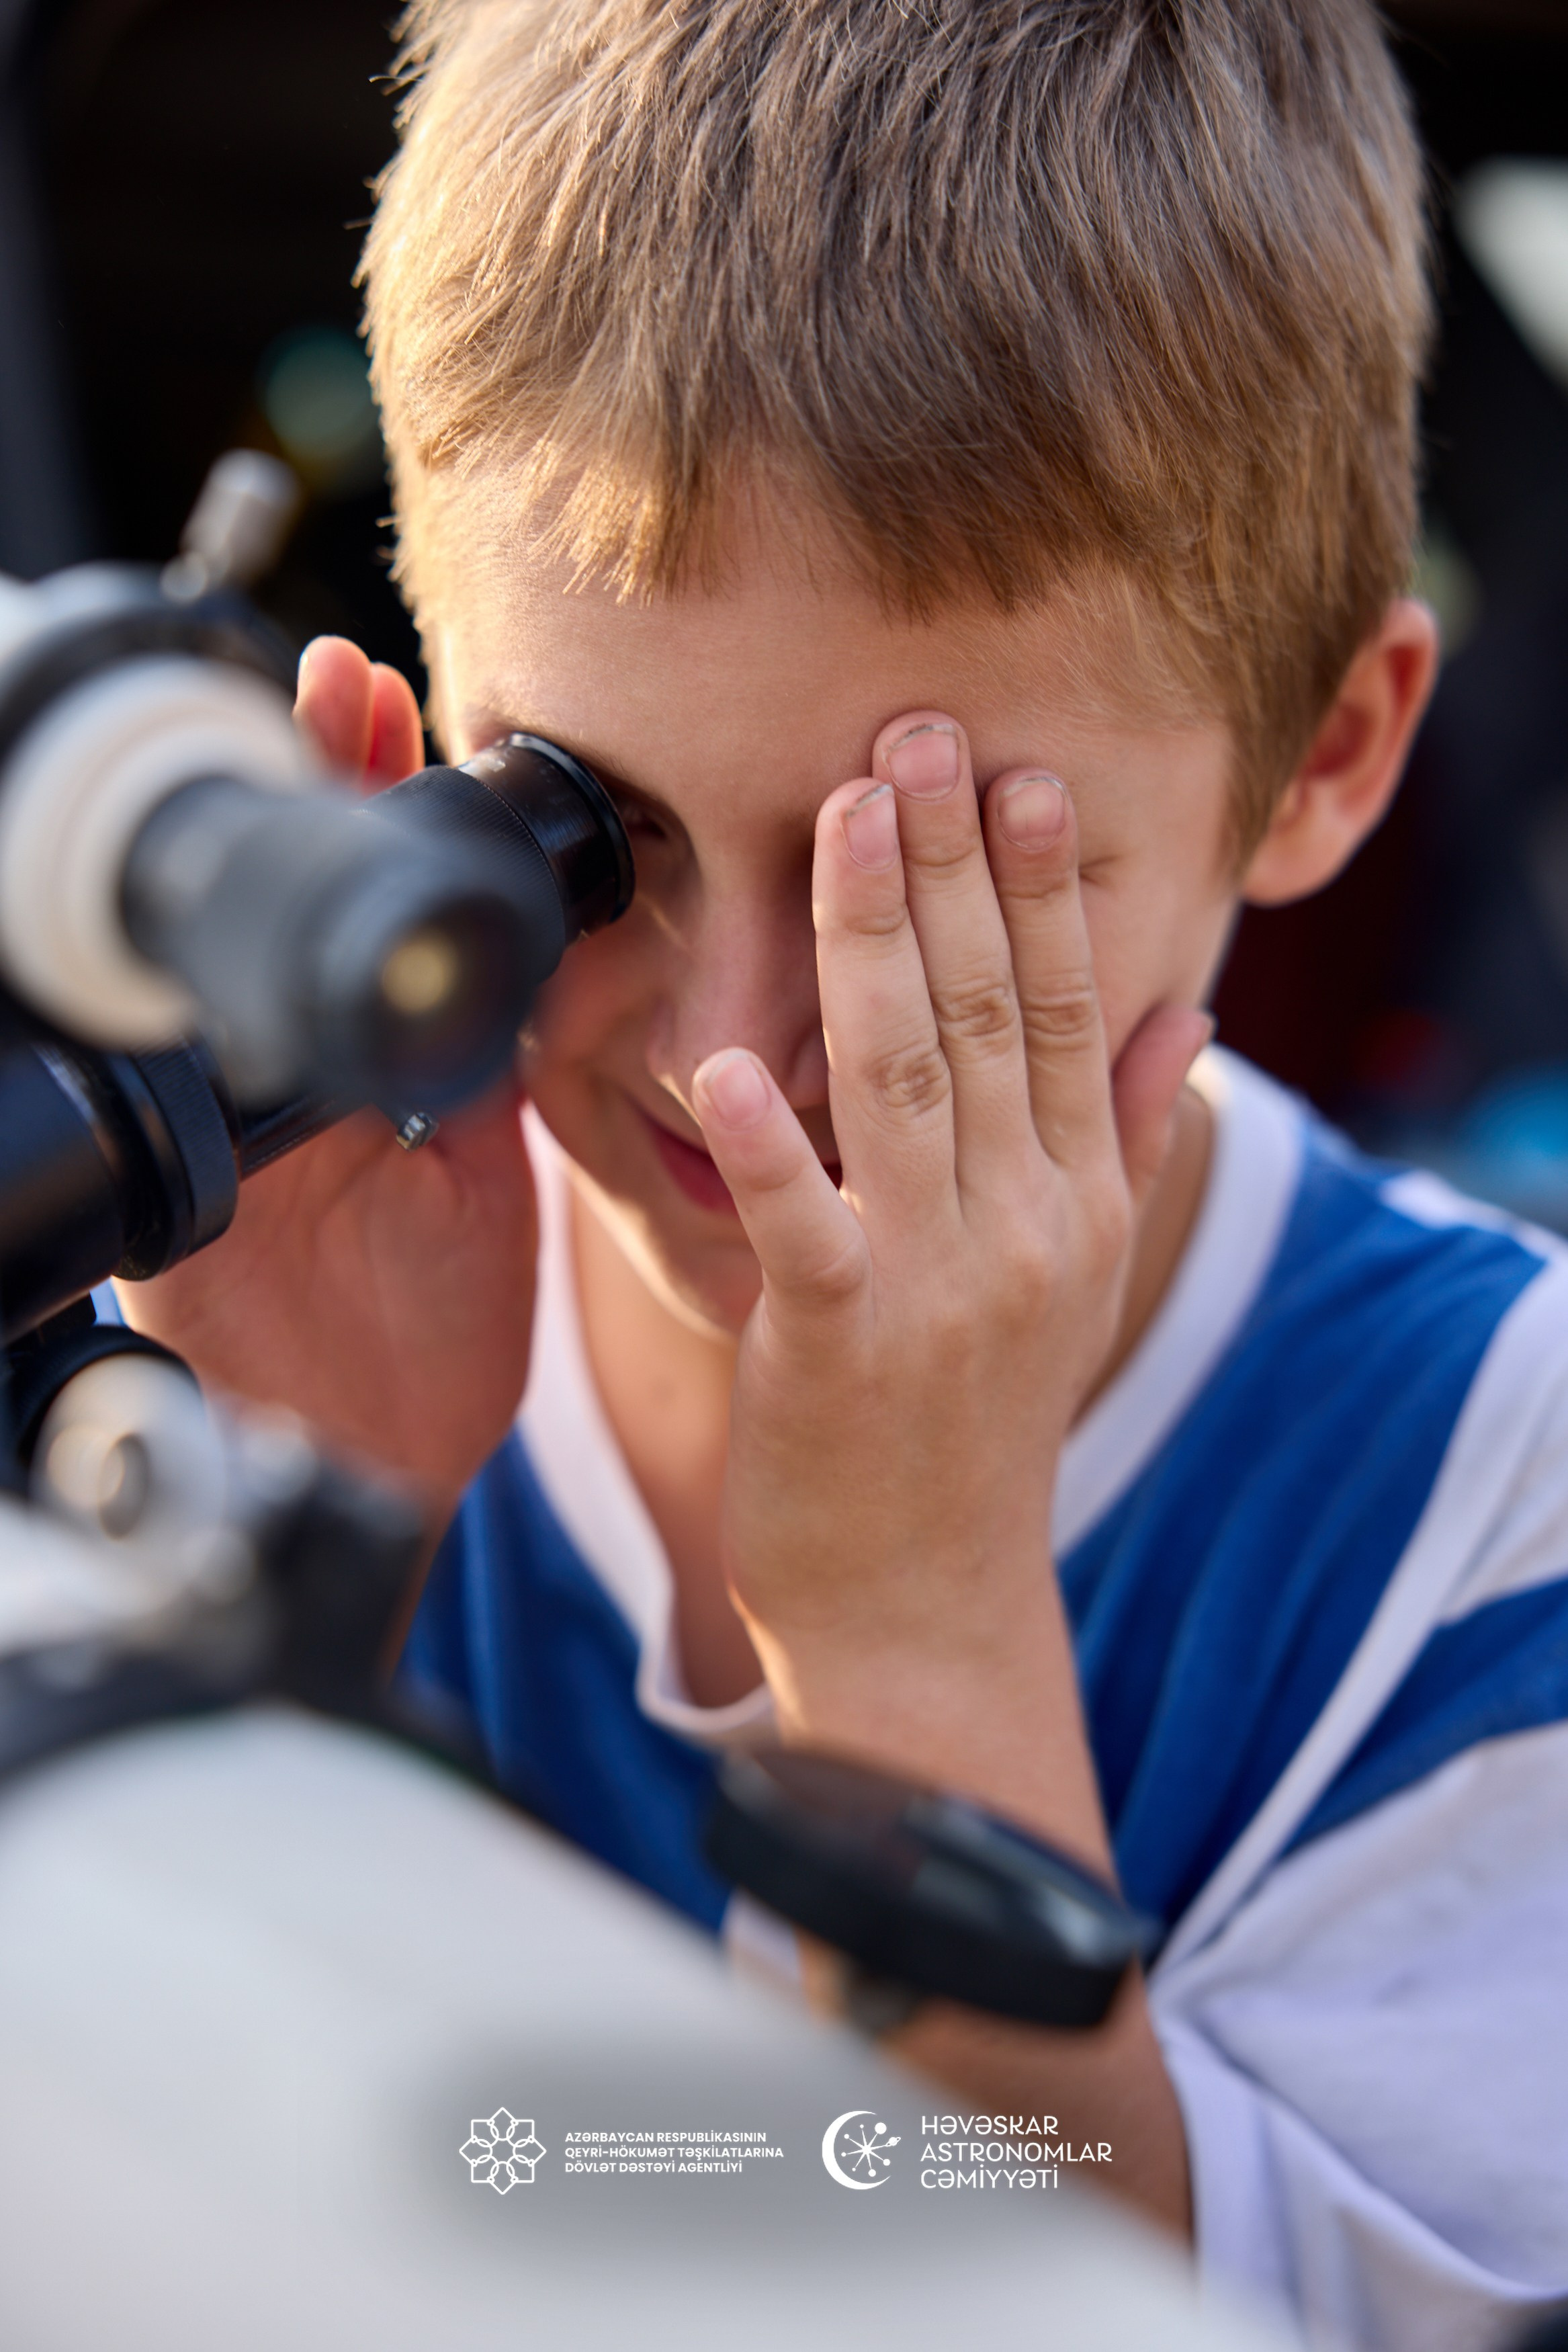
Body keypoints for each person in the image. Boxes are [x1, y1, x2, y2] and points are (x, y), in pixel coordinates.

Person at [123, 2, 1568, 2343]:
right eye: (594, 833)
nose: (732, 1065)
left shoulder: (1495, 1496)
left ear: (1325, 754)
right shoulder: (234, 1319)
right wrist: (286, 1548)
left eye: (938, 888)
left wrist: (914, 1649)